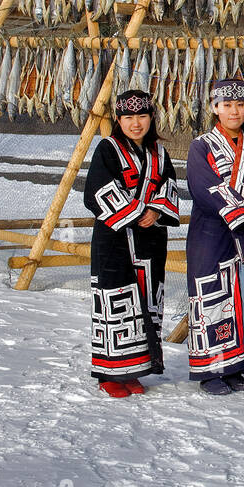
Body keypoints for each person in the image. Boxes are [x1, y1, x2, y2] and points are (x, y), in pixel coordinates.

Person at [184, 78, 244, 396]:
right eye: (227, 105)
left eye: (239, 104)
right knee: (214, 299)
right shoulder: (201, 146)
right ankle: (211, 370)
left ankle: (237, 366)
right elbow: (203, 185)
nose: (234, 111)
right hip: (212, 233)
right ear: (214, 108)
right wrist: (240, 213)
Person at [83, 90, 180, 398]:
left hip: (149, 241)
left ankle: (135, 370)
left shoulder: (159, 154)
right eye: (128, 117)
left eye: (142, 116)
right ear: (118, 120)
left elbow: (170, 188)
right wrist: (139, 211)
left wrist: (156, 210)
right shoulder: (107, 149)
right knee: (117, 303)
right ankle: (110, 374)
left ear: (152, 118)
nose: (136, 124)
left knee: (146, 305)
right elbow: (97, 191)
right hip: (115, 240)